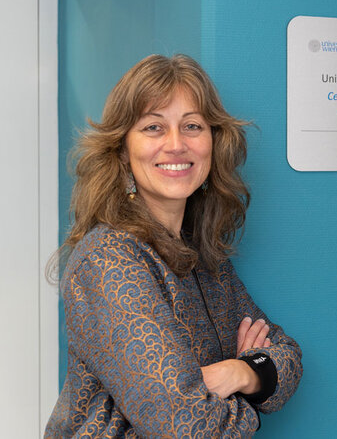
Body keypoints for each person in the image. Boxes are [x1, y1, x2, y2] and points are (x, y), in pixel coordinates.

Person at [46, 54, 302, 437]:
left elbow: (287, 353)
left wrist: (241, 371)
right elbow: (187, 428)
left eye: (192, 126)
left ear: (213, 143)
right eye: (153, 127)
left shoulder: (203, 258)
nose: (176, 144)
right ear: (121, 150)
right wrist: (247, 399)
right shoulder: (108, 261)